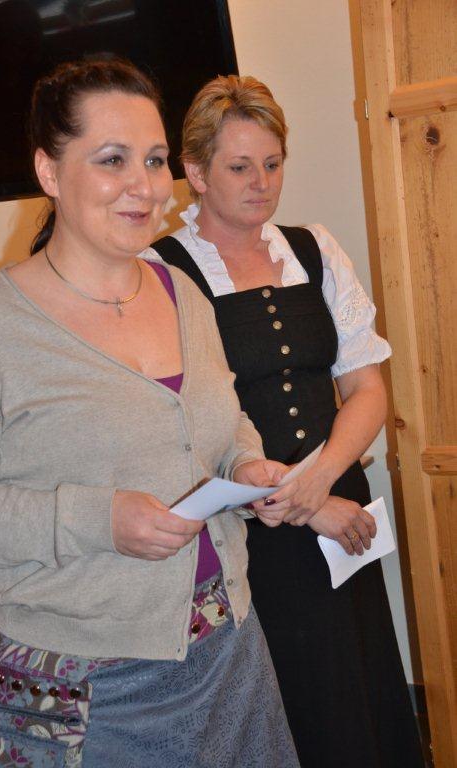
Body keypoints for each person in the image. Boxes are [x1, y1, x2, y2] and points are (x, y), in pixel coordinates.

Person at [0, 61, 302, 767]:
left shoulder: (183, 295)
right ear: (49, 171)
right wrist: (96, 519)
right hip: (76, 688)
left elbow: (225, 419)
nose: (145, 185)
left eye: (155, 159)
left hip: (226, 652)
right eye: (112, 160)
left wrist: (246, 466)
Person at [151, 74, 425, 768]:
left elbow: (367, 387)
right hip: (248, 527)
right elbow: (187, 424)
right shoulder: (164, 271)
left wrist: (324, 481)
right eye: (240, 167)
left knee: (361, 687)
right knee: (294, 704)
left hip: (342, 511)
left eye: (273, 164)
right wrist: (302, 504)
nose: (262, 183)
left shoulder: (313, 249)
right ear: (195, 172)